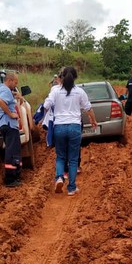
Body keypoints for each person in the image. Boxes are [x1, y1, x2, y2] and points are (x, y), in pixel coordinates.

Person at [43, 66, 97, 196]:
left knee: (60, 156)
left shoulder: (55, 91)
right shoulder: (80, 92)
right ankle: (71, 188)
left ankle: (59, 177)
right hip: (74, 127)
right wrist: (93, 121)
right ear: (75, 77)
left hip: (59, 127)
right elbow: (88, 108)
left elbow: (46, 105)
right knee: (73, 159)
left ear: (61, 77)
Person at [0, 72, 22, 187]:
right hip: (9, 124)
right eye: (15, 83)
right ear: (9, 80)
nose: (15, 85)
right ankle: (10, 178)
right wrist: (10, 114)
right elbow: (1, 101)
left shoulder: (1, 89)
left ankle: (15, 175)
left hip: (4, 124)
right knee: (12, 151)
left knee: (13, 150)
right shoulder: (5, 91)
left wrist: (17, 96)